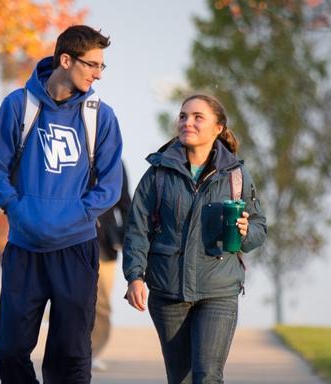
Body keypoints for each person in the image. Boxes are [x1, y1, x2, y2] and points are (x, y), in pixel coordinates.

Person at [0, 25, 124, 383]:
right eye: (92, 65)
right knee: (9, 351)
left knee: (71, 356)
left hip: (75, 250)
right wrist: (17, 210)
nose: (98, 74)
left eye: (101, 67)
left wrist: (77, 215)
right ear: (66, 60)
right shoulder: (19, 105)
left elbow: (110, 185)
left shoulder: (100, 116)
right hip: (24, 248)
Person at [122, 94, 267, 384]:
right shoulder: (158, 174)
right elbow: (137, 228)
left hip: (219, 290)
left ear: (218, 128)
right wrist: (134, 277)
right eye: (183, 116)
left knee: (207, 376)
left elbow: (259, 227)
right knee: (181, 378)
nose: (187, 122)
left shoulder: (236, 176)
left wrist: (244, 232)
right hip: (168, 291)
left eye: (198, 117)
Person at [92, 164, 131, 371]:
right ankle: (73, 350)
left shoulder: (114, 161)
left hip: (104, 244)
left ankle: (93, 351)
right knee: (72, 300)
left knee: (102, 303)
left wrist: (127, 239)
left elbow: (125, 203)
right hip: (69, 238)